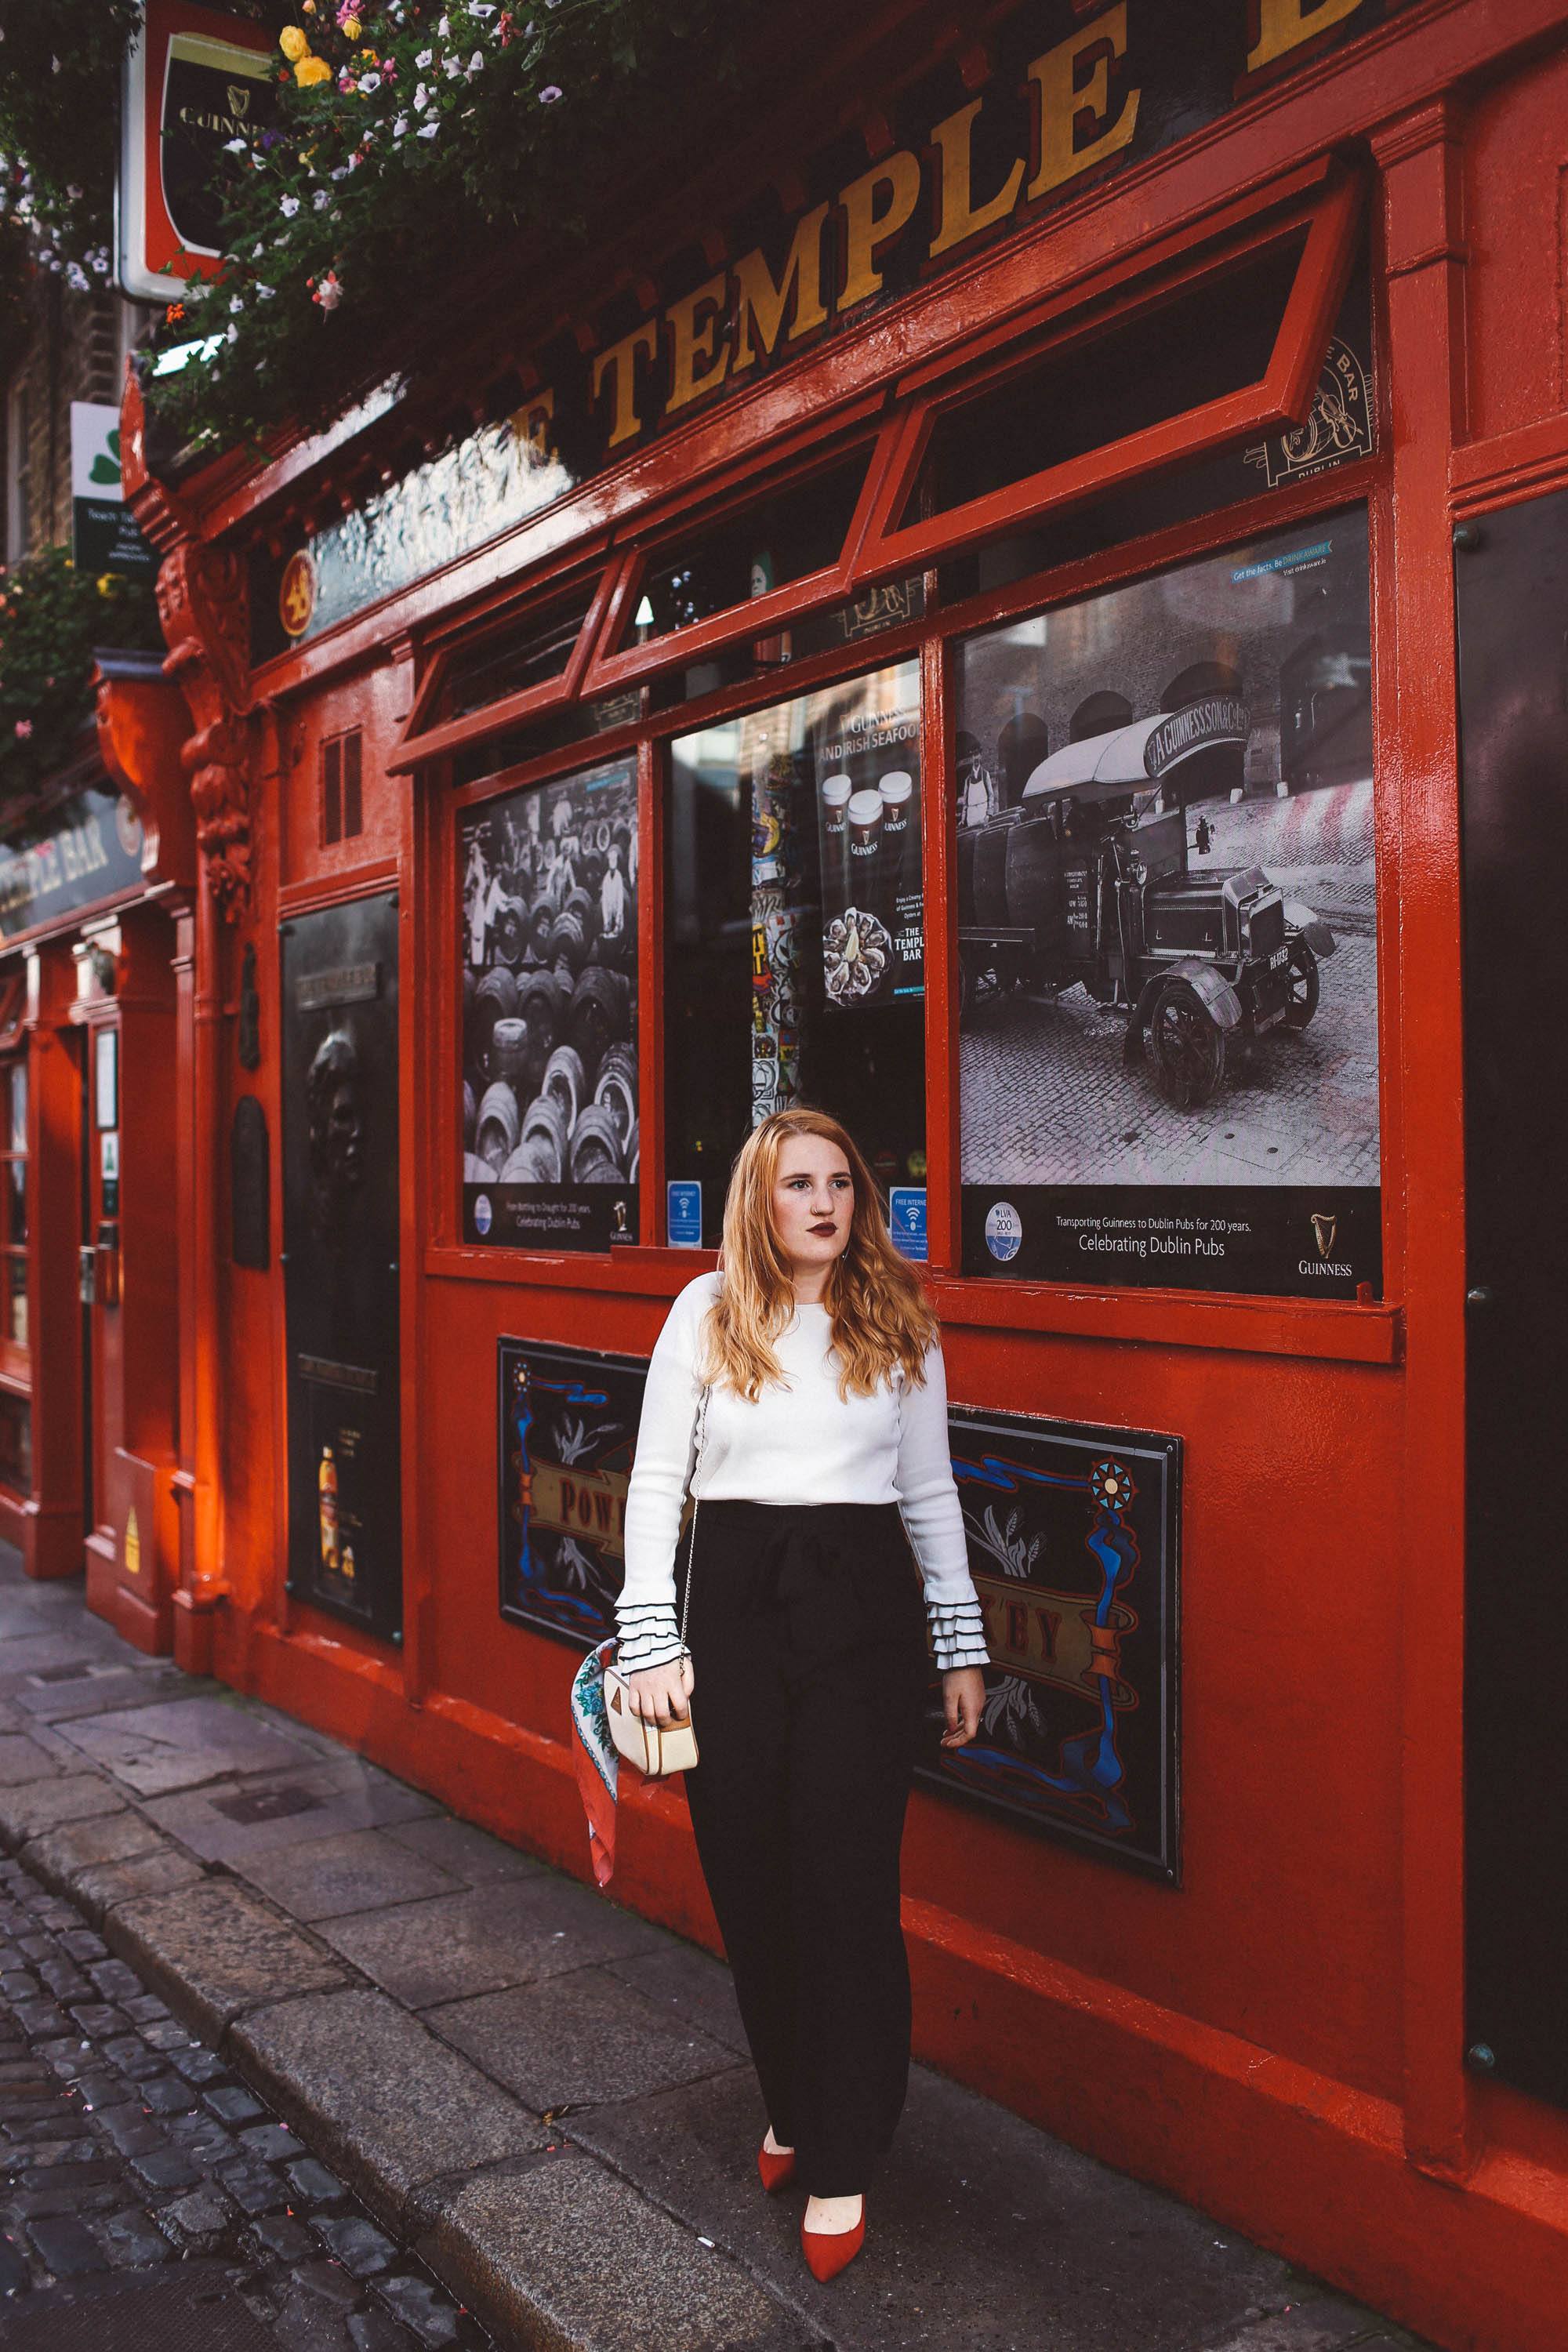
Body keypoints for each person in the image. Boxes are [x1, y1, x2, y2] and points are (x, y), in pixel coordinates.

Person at [615, 1108, 989, 2281]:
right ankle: (791, 2093)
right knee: (749, 1872)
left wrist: (960, 1642)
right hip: (730, 1602)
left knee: (843, 1880)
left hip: (860, 1614)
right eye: (798, 1186)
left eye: (841, 1181)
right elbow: (654, 1485)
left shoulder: (898, 1316)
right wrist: (648, 1638)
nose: (825, 1203)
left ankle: (843, 2154)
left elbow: (928, 1494)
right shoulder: (705, 1312)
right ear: (758, 1203)